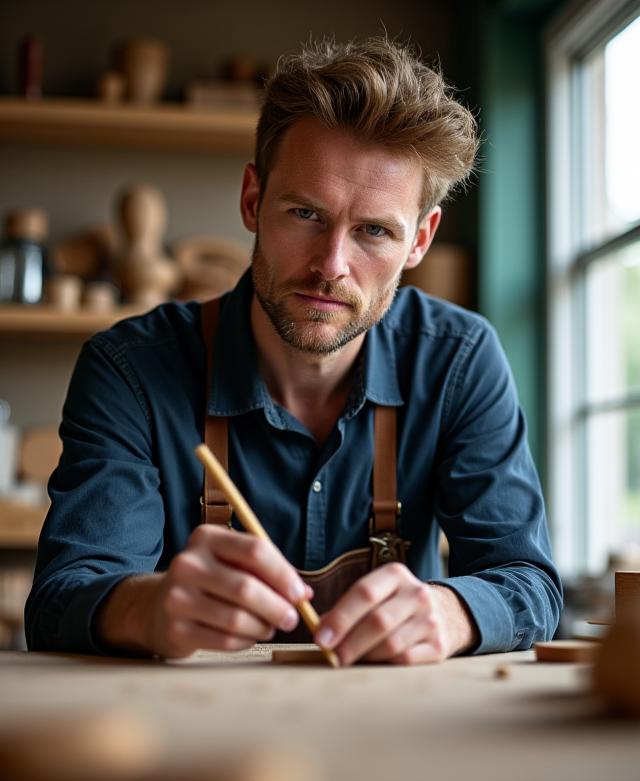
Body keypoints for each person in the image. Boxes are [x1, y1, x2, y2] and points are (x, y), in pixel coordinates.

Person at [25, 36, 562, 665]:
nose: (332, 266)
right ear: (254, 200)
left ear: (420, 240)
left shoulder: (460, 360)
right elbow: (62, 599)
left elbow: (529, 584)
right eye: (305, 213)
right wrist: (150, 606)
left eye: (374, 232)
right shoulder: (131, 369)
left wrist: (450, 612)